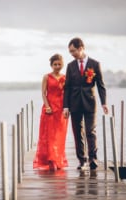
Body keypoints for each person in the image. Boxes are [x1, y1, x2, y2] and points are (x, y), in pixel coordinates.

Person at [63, 37, 108, 170]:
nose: (72, 54)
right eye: (70, 52)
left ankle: (93, 159)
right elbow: (67, 87)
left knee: (90, 131)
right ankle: (82, 160)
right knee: (78, 133)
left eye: (73, 51)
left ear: (81, 48)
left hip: (90, 102)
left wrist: (103, 103)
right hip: (74, 103)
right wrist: (65, 106)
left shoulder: (95, 64)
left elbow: (100, 85)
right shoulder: (70, 66)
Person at [33, 53, 68, 171]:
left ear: (62, 64)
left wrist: (66, 108)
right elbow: (43, 93)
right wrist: (47, 106)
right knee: (49, 135)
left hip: (62, 109)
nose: (57, 66)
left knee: (59, 135)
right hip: (49, 109)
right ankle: (51, 160)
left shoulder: (65, 77)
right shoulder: (46, 77)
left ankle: (58, 159)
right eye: (55, 64)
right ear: (51, 65)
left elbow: (67, 94)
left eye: (59, 64)